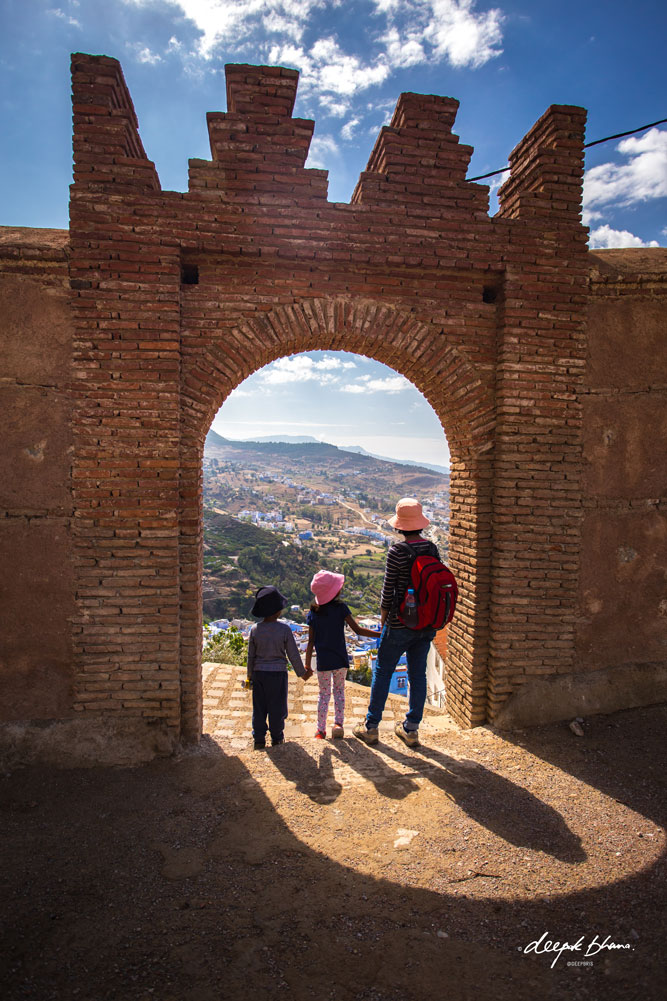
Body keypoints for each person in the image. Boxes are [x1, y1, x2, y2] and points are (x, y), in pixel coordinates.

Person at [353, 498, 438, 748]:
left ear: (400, 526)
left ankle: (371, 727)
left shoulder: (397, 552)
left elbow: (387, 591)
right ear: (420, 524)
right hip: (425, 624)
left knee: (382, 671)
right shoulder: (432, 549)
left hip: (399, 623)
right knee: (418, 675)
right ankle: (411, 730)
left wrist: (383, 622)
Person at [305, 570, 381, 739]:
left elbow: (310, 642)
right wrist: (380, 634)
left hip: (323, 661)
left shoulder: (313, 614)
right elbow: (358, 630)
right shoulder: (341, 609)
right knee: (339, 691)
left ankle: (320, 730)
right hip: (340, 658)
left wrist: (307, 664)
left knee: (323, 694)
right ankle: (338, 724)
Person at [247, 585, 312, 750]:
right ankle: (277, 738)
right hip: (277, 675)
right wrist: (302, 673)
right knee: (277, 707)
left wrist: (249, 677)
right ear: (277, 611)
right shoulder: (284, 629)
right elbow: (293, 654)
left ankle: (259, 739)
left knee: (259, 707)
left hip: (259, 674)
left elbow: (251, 657)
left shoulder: (255, 630)